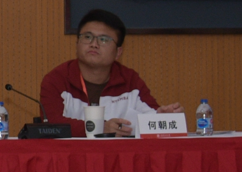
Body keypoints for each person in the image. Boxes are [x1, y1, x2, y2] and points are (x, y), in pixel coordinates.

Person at [38, 9, 173, 136]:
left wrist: (162, 117)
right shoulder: (57, 80)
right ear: (77, 43)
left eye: (103, 39)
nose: (94, 44)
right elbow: (51, 125)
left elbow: (152, 119)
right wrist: (99, 128)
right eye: (87, 37)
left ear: (118, 52)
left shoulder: (130, 80)